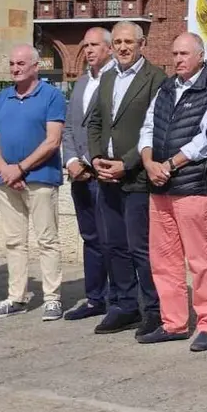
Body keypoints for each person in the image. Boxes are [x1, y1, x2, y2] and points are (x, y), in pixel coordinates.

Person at [137, 33, 207, 350]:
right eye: (174, 54)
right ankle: (174, 323)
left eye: (184, 54)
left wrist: (170, 164)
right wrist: (149, 163)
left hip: (192, 186)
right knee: (164, 260)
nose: (178, 59)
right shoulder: (166, 88)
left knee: (200, 260)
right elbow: (148, 127)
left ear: (201, 56)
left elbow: (206, 138)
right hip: (159, 186)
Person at [86, 21, 166, 337]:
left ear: (141, 44)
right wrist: (95, 157)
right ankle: (124, 306)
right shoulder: (107, 78)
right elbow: (95, 121)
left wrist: (126, 163)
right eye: (117, 42)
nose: (122, 47)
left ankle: (154, 309)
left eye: (128, 42)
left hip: (137, 177)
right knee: (113, 245)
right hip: (106, 176)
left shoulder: (156, 79)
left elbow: (157, 129)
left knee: (140, 248)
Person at [0, 45, 66, 321]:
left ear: (35, 66)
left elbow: (52, 140)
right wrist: (6, 170)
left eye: (21, 63)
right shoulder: (2, 97)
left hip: (41, 179)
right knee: (14, 241)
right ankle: (16, 296)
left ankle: (52, 298)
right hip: (6, 181)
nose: (15, 68)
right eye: (12, 64)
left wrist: (20, 168)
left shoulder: (52, 96)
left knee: (47, 240)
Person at [61, 27, 116, 321]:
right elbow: (70, 125)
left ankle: (118, 299)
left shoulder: (118, 80)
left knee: (112, 239)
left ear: (109, 48)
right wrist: (70, 159)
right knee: (91, 237)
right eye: (86, 45)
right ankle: (95, 298)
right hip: (80, 175)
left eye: (94, 45)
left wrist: (98, 161)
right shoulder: (81, 82)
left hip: (106, 173)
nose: (89, 50)